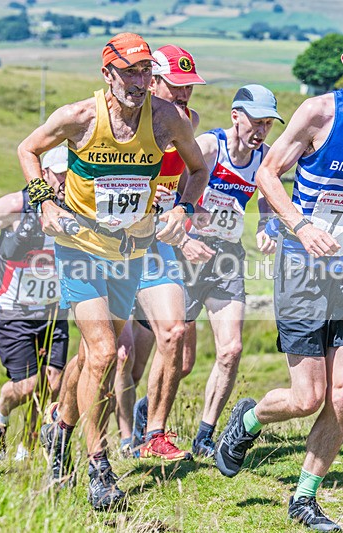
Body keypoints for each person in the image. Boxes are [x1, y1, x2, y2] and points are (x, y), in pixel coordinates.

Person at [214, 19, 343, 531]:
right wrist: (300, 226)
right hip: (302, 265)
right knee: (307, 398)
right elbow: (266, 174)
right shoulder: (319, 112)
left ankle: (305, 498)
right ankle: (249, 419)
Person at [17, 33, 209, 511]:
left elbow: (198, 169)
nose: (139, 82)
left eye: (146, 72)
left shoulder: (167, 119)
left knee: (89, 358)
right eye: (129, 72)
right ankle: (99, 467)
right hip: (79, 246)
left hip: (132, 250)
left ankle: (58, 430)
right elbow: (28, 150)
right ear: (108, 74)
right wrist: (44, 202)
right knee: (104, 353)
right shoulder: (78, 116)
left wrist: (182, 208)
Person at [168, 84, 281, 459]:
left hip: (227, 257)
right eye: (256, 122)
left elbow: (268, 198)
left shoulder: (264, 159)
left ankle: (204, 434)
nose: (261, 131)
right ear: (236, 116)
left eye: (268, 124)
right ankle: (149, 421)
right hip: (186, 253)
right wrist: (183, 237)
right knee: (179, 359)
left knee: (230, 349)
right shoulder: (209, 147)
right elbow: (171, 193)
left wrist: (268, 226)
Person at [112, 44, 205, 462]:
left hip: (157, 245)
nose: (184, 96)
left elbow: (188, 177)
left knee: (173, 336)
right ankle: (70, 424)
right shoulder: (125, 120)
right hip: (109, 246)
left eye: (190, 87)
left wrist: (183, 213)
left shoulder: (186, 122)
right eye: (176, 86)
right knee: (111, 354)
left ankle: (151, 435)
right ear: (152, 81)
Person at [0, 146, 70, 461]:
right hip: (12, 311)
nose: (64, 180)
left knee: (52, 384)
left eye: (69, 173)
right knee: (26, 386)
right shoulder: (17, 205)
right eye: (59, 173)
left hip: (53, 310)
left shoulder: (74, 207)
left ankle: (29, 448)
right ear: (43, 174)